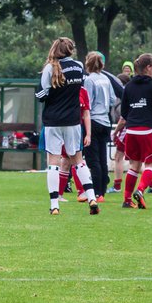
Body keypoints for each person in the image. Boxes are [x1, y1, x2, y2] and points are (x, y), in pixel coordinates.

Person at [35, 37, 98, 215]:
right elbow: (82, 88)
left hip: (53, 121)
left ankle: (55, 205)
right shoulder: (79, 66)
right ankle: (92, 197)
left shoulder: (50, 68)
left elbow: (41, 95)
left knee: (54, 163)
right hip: (73, 121)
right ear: (71, 50)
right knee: (78, 161)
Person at [117, 53, 152, 209]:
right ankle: (141, 190)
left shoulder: (129, 86)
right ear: (148, 67)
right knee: (151, 165)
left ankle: (127, 200)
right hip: (147, 130)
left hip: (131, 131)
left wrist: (132, 121)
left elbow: (124, 110)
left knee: (134, 166)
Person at [83, 52, 116, 199]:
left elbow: (87, 102)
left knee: (92, 159)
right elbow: (112, 99)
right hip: (105, 121)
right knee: (103, 158)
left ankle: (96, 191)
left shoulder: (89, 80)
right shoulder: (106, 79)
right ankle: (102, 191)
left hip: (94, 121)